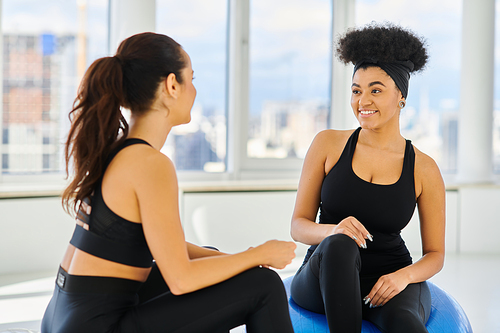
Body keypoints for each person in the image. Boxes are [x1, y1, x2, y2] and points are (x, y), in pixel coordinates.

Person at [41, 32, 296, 333]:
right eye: (192, 79)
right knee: (263, 285)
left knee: (216, 262)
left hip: (66, 319)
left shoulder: (119, 150)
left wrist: (239, 261)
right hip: (98, 326)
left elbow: (156, 243)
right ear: (172, 85)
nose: (195, 90)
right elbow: (181, 279)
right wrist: (258, 254)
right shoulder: (150, 165)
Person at [289, 23, 445, 333]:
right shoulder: (328, 144)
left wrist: (403, 276)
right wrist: (333, 230)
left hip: (388, 279)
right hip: (324, 277)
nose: (363, 101)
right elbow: (298, 226)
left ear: (401, 96)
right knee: (340, 244)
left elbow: (435, 255)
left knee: (406, 325)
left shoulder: (423, 168)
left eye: (376, 90)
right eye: (357, 90)